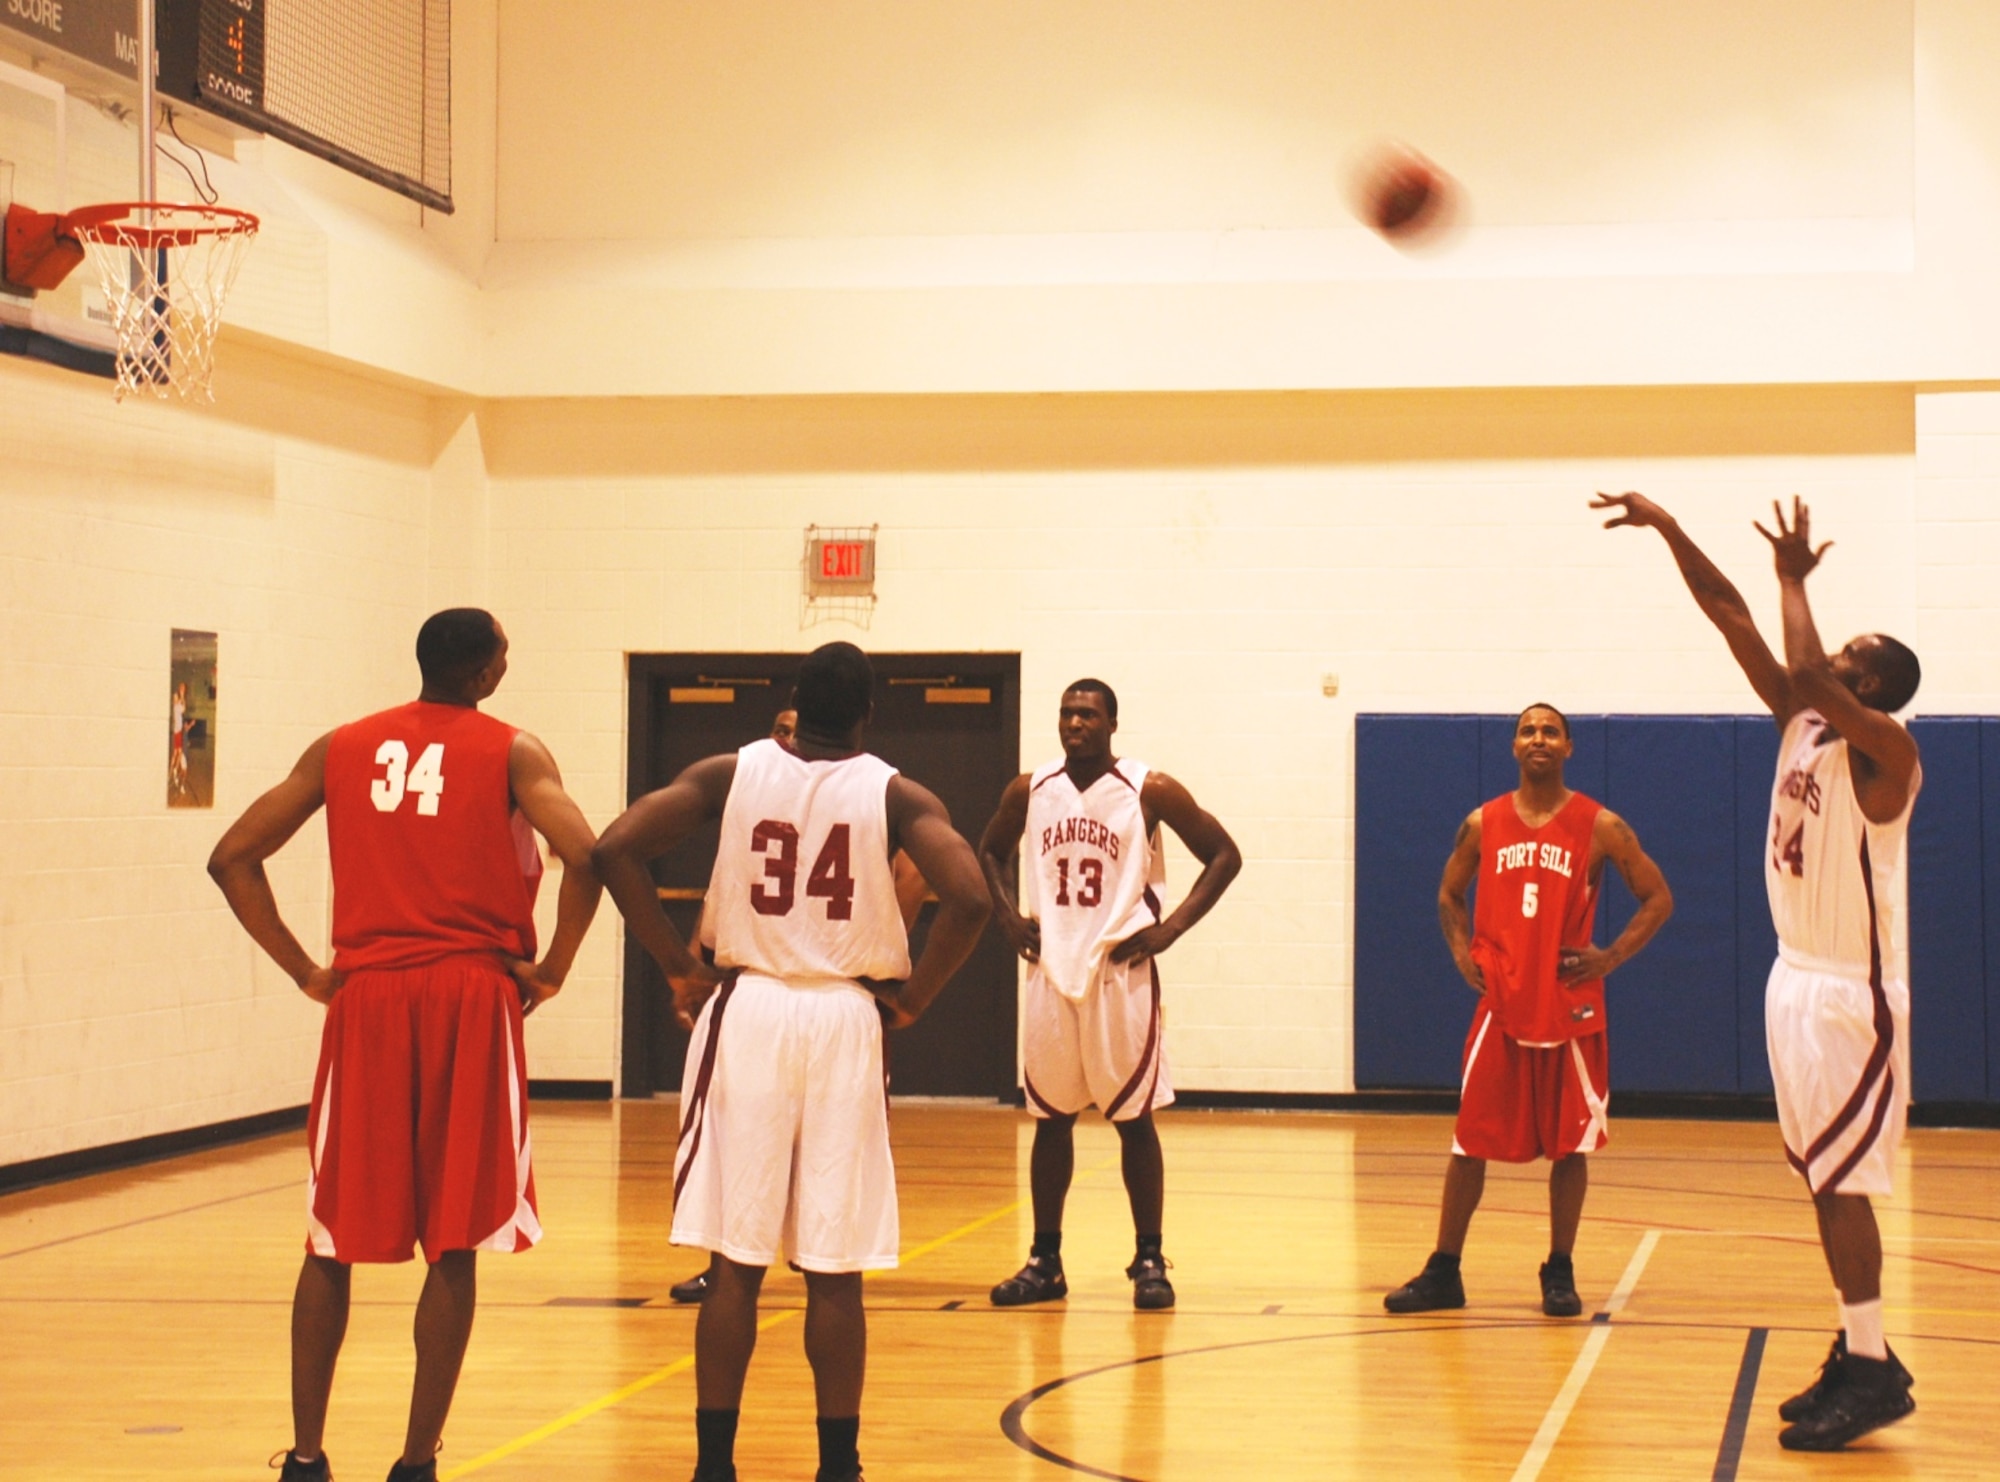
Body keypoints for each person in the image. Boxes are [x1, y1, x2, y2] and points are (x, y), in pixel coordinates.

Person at [206, 609, 603, 1482]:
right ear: (487, 671)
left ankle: (306, 1457)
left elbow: (232, 854)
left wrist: (308, 971)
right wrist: (557, 968)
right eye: (507, 651)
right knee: (452, 1238)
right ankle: (416, 1461)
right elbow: (588, 854)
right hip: (470, 992)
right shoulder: (513, 751)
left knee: (329, 1240)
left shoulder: (339, 748)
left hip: (369, 998)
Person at [593, 641, 990, 1482]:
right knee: (834, 1269)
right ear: (868, 712)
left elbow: (615, 847)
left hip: (752, 1008)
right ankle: (838, 1467)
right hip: (845, 1016)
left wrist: (674, 961)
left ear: (794, 701)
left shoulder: (728, 773)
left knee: (734, 1264)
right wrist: (913, 998)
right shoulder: (896, 791)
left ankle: (714, 1466)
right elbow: (973, 898)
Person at [1598, 492, 1923, 1451]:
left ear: (1876, 685)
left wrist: (1793, 580)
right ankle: (1861, 1346)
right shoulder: (1801, 721)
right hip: (1794, 977)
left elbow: (1808, 665)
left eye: (1851, 659)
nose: (1827, 662)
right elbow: (1729, 614)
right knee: (1823, 1181)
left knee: (1842, 1184)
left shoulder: (1891, 751)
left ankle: (1871, 1368)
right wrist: (1669, 529)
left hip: (1847, 994)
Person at [1384, 703, 1673, 1319]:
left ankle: (1559, 1269)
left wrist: (1610, 957)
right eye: (1527, 731)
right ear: (1514, 747)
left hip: (1567, 1007)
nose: (1538, 738)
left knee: (1569, 1148)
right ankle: (1444, 1270)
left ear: (1568, 747)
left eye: (1549, 731)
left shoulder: (1600, 826)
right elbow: (1448, 892)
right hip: (1503, 1005)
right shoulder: (1483, 823)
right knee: (1469, 1141)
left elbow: (1657, 898)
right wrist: (1463, 954)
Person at [980, 679, 1241, 1311]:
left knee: (1133, 1120)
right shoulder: (1030, 788)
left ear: (1112, 723)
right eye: (1068, 713)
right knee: (1051, 1119)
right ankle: (1045, 1261)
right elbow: (988, 849)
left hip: (1119, 976)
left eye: (1089, 714)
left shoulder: (1148, 789)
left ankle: (1149, 1257)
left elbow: (1223, 855)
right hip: (1051, 974)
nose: (1076, 723)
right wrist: (1010, 918)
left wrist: (1170, 929)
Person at [666, 706, 932, 1306]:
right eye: (779, 729)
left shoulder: (845, 787)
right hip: (816, 1007)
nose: (788, 739)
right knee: (814, 1252)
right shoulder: (768, 784)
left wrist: (882, 952)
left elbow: (915, 876)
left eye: (795, 728)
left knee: (777, 1246)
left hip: (782, 999)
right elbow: (723, 895)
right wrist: (688, 963)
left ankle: (738, 1275)